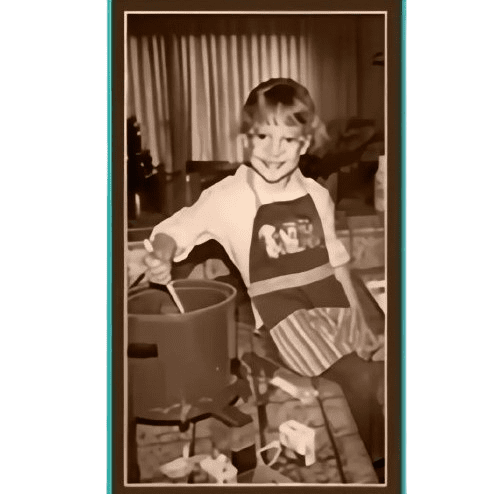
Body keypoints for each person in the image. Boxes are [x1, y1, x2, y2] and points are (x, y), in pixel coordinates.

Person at [144, 78, 384, 463]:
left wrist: (363, 318)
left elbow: (336, 260)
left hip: (332, 303)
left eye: (287, 140)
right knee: (365, 379)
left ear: (304, 144)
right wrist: (162, 254)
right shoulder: (229, 197)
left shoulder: (317, 195)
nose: (274, 152)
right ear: (246, 138)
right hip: (287, 318)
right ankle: (384, 466)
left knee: (388, 363)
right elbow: (175, 228)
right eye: (263, 137)